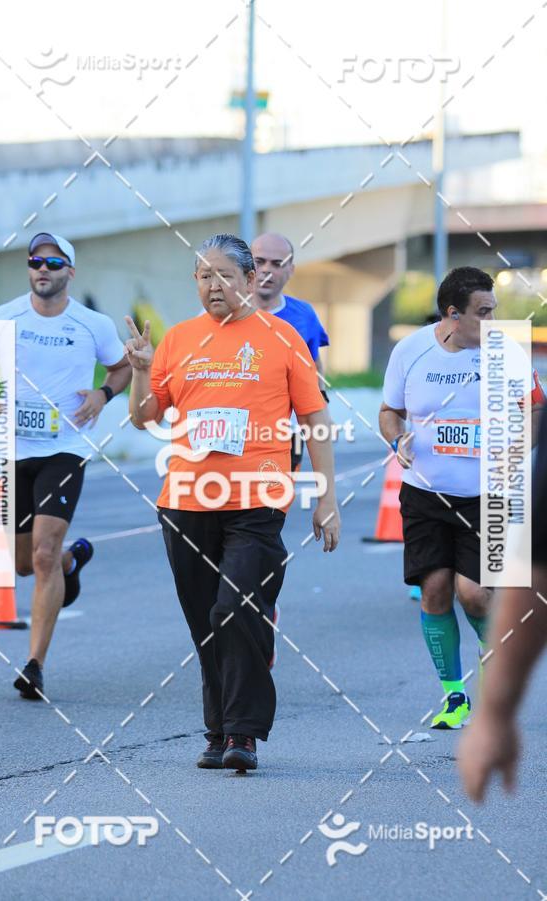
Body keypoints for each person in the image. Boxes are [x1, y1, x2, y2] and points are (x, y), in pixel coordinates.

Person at [125, 233, 340, 772]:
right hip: (186, 500)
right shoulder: (178, 341)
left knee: (234, 608)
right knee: (205, 620)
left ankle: (243, 734)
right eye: (203, 276)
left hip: (257, 499)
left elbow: (315, 420)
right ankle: (218, 730)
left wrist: (325, 496)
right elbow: (145, 418)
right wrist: (138, 369)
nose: (213, 285)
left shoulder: (282, 337)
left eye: (224, 275)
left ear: (249, 280)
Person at [0, 233, 131, 699]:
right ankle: (72, 562)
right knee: (22, 564)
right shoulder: (5, 317)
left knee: (41, 554)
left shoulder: (92, 324)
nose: (44, 269)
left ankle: (34, 664)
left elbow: (121, 367)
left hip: (65, 449)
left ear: (70, 272)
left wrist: (102, 395)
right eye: (36, 261)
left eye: (54, 262)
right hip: (13, 451)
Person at [379, 267, 541, 729]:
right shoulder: (410, 351)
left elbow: (535, 405)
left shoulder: (504, 352)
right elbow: (390, 411)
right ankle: (455, 697)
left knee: (474, 594)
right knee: (434, 590)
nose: (493, 322)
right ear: (453, 315)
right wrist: (397, 440)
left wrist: (519, 446)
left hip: (490, 494)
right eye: (484, 313)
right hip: (426, 494)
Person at [458, 403, 547, 800]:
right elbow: (536, 567)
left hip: (494, 494)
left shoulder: (510, 360)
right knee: (464, 590)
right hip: (453, 496)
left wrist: (495, 714)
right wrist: (494, 714)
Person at [251, 232, 330, 471]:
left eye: (277, 264)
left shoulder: (304, 314)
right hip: (236, 431)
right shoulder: (222, 313)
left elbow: (314, 366)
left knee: (276, 502)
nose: (267, 270)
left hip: (288, 432)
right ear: (246, 265)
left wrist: (322, 412)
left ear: (291, 270)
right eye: (259, 261)